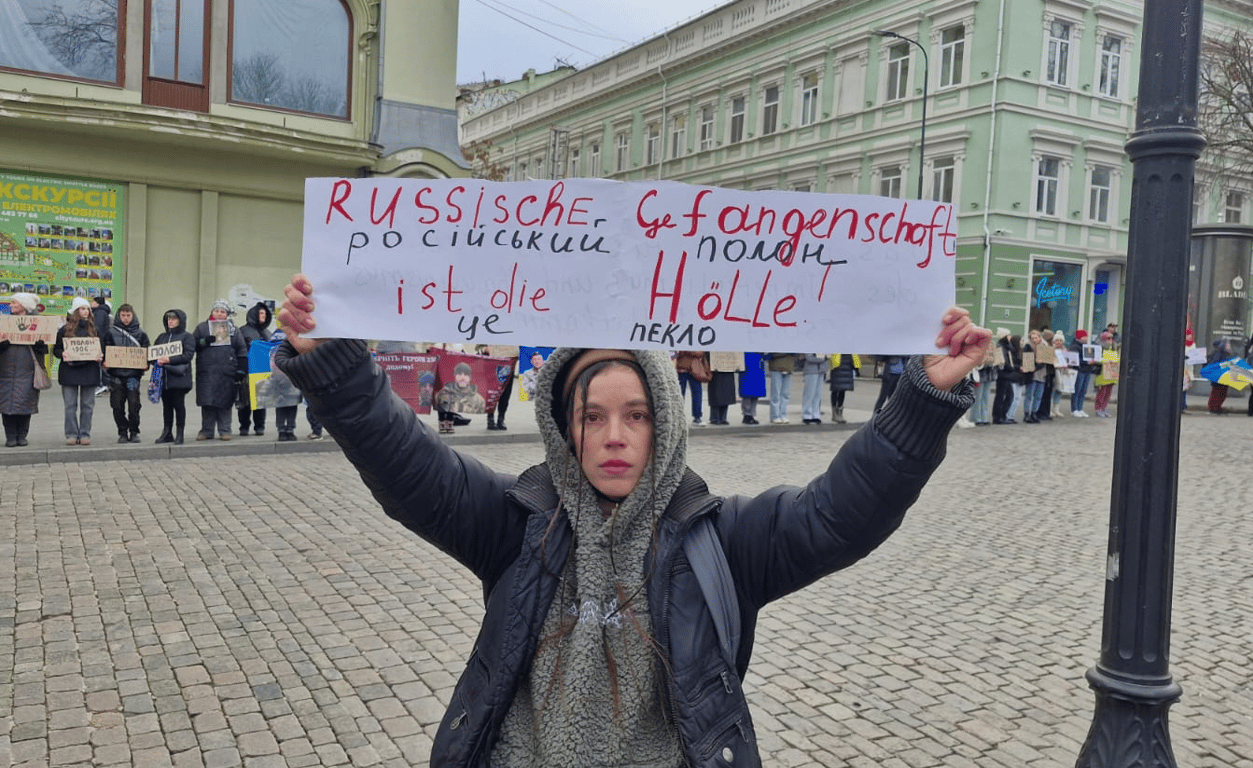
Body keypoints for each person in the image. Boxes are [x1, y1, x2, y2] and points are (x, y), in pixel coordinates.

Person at [274, 272, 990, 768]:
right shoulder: (517, 524)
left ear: (665, 428)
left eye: (636, 415)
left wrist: (923, 398)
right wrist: (333, 364)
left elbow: (841, 516)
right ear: (566, 430)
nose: (614, 435)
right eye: (593, 416)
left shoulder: (725, 541)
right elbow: (409, 468)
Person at [0, 293, 49, 447]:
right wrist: (0, 345)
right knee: (6, 403)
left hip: (28, 368)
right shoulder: (3, 322)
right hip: (5, 369)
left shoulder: (39, 322)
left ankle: (22, 435)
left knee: (25, 403)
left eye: (14, 302)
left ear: (24, 306)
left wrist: (40, 345)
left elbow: (47, 347)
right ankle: (10, 436)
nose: (10, 305)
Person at [193, 299, 249, 440]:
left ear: (227, 314)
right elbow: (192, 345)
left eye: (222, 311)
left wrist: (241, 370)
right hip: (206, 372)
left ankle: (225, 430)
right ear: (212, 312)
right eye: (216, 311)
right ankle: (206, 430)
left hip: (227, 372)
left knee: (225, 402)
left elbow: (242, 350)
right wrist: (204, 341)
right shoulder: (202, 328)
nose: (219, 314)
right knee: (208, 402)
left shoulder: (234, 330)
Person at [54, 296, 105, 445]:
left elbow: (102, 348)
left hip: (89, 371)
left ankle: (85, 434)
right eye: (83, 308)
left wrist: (101, 355)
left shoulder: (95, 330)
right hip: (69, 372)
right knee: (70, 406)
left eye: (88, 309)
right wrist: (62, 355)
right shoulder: (64, 330)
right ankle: (71, 434)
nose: (86, 311)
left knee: (87, 406)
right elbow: (56, 350)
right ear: (76, 311)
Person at [104, 303, 150, 442]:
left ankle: (134, 431)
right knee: (117, 405)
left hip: (133, 377)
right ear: (119, 316)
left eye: (128, 315)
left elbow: (147, 351)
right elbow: (105, 350)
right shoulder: (111, 333)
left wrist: (146, 364)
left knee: (134, 405)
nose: (125, 318)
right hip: (116, 376)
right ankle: (122, 431)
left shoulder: (141, 334)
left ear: (132, 315)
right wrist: (105, 363)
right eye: (123, 315)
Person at [153, 309, 196, 444]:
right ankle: (167, 432)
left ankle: (180, 433)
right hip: (164, 378)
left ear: (180, 321)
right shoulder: (162, 337)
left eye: (173, 319)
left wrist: (169, 360)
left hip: (179, 377)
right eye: (168, 319)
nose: (170, 321)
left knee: (178, 405)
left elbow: (188, 355)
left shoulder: (187, 337)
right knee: (167, 406)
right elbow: (153, 353)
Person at [237, 301, 275, 436]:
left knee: (261, 401)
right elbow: (239, 350)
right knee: (245, 402)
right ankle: (244, 426)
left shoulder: (268, 332)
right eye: (260, 313)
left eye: (265, 313)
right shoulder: (243, 330)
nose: (263, 315)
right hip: (248, 370)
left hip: (262, 370)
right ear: (254, 314)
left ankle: (260, 426)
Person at [435, 361, 487, 432]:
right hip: (445, 398)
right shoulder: (444, 392)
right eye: (459, 374)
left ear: (470, 377)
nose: (462, 378)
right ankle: (442, 423)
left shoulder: (479, 400)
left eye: (466, 375)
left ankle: (450, 423)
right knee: (445, 397)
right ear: (455, 376)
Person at [479, 344, 520, 430]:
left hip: (510, 357)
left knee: (506, 391)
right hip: (493, 357)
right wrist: (484, 347)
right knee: (492, 390)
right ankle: (490, 418)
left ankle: (501, 418)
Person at [705, 350, 743, 425]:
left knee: (727, 395)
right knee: (716, 395)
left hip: (728, 369)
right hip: (716, 370)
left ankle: (723, 417)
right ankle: (715, 418)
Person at [673, 351, 706, 425]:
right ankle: (678, 417)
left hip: (694, 369)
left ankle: (697, 417)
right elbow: (677, 352)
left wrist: (688, 351)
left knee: (697, 393)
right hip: (682, 369)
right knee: (680, 394)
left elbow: (701, 353)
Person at [992, 329, 1018, 424]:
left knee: (1009, 395)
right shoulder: (1001, 347)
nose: (1010, 337)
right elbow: (1003, 362)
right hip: (1003, 374)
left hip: (1007, 374)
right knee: (1001, 396)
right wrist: (1011, 368)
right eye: (1008, 335)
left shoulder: (1007, 347)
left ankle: (1002, 415)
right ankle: (998, 417)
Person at [1204, 337, 1234, 414]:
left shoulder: (1225, 354)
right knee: (1217, 392)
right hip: (1219, 376)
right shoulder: (1218, 353)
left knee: (1222, 393)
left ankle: (1217, 407)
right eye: (1227, 344)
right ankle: (1213, 408)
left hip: (1223, 376)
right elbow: (1216, 364)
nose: (1228, 346)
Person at [1094, 328, 1119, 417]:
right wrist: (1106, 361)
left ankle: (1104, 407)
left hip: (1111, 374)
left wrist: (1115, 361)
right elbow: (1096, 359)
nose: (1111, 341)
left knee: (1108, 392)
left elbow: (1117, 359)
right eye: (1108, 339)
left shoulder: (1113, 349)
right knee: (1101, 392)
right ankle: (1098, 408)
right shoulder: (1099, 349)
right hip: (1102, 374)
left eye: (1112, 339)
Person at [1068, 329, 1093, 417]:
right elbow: (1074, 359)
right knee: (1077, 390)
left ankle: (1080, 408)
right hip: (1079, 370)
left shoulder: (1086, 346)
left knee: (1083, 390)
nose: (1086, 338)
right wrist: (1086, 362)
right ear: (1079, 337)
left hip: (1087, 370)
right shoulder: (1074, 346)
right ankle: (1074, 409)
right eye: (1084, 336)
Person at [829, 353, 859, 424]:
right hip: (838, 366)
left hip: (847, 366)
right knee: (835, 390)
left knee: (843, 390)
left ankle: (839, 413)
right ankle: (835, 414)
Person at [800, 353, 829, 424]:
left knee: (817, 394)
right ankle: (807, 414)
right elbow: (809, 358)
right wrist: (823, 359)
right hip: (811, 370)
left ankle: (815, 414)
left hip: (821, 370)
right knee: (809, 393)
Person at [738, 352, 766, 424]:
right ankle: (747, 414)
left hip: (757, 368)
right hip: (748, 367)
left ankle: (751, 414)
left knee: (755, 394)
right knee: (748, 395)